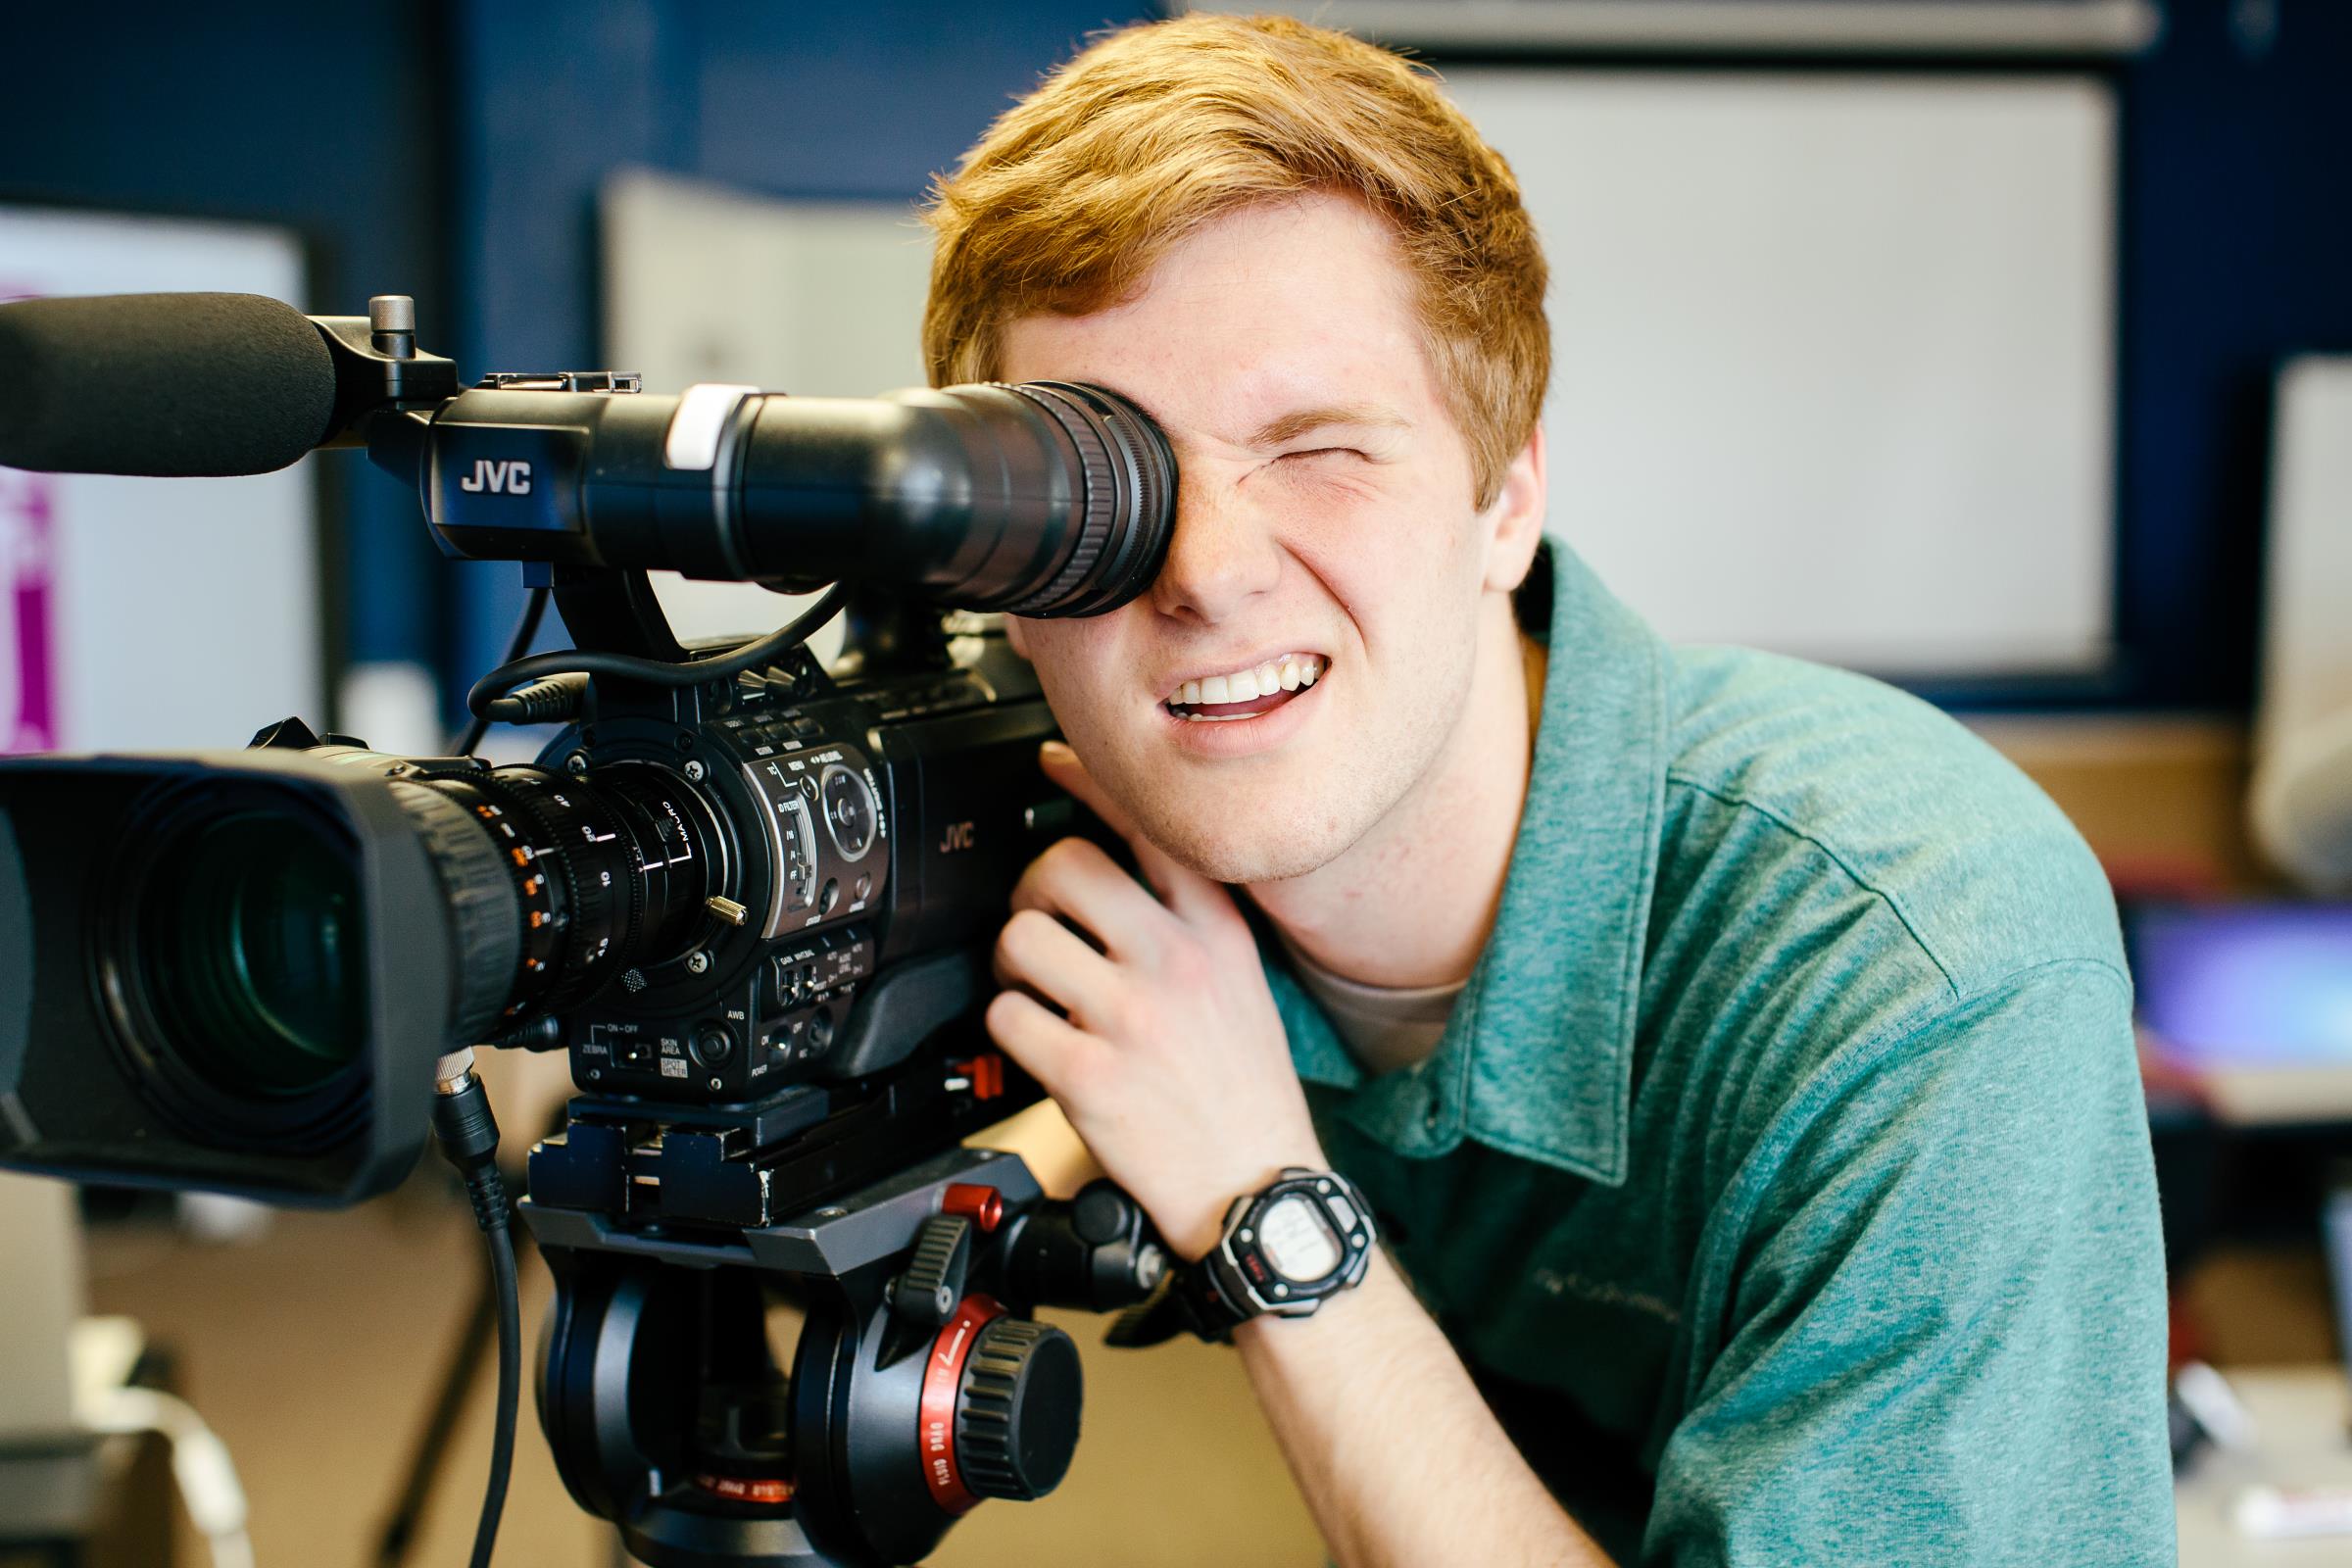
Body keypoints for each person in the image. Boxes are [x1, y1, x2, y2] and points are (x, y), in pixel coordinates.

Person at [925, 14, 2174, 1565]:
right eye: (1104, 491)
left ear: (1505, 497)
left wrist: (1263, 1197)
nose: (1205, 575)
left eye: (1317, 448)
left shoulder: (1918, 964)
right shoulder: (1068, 867)